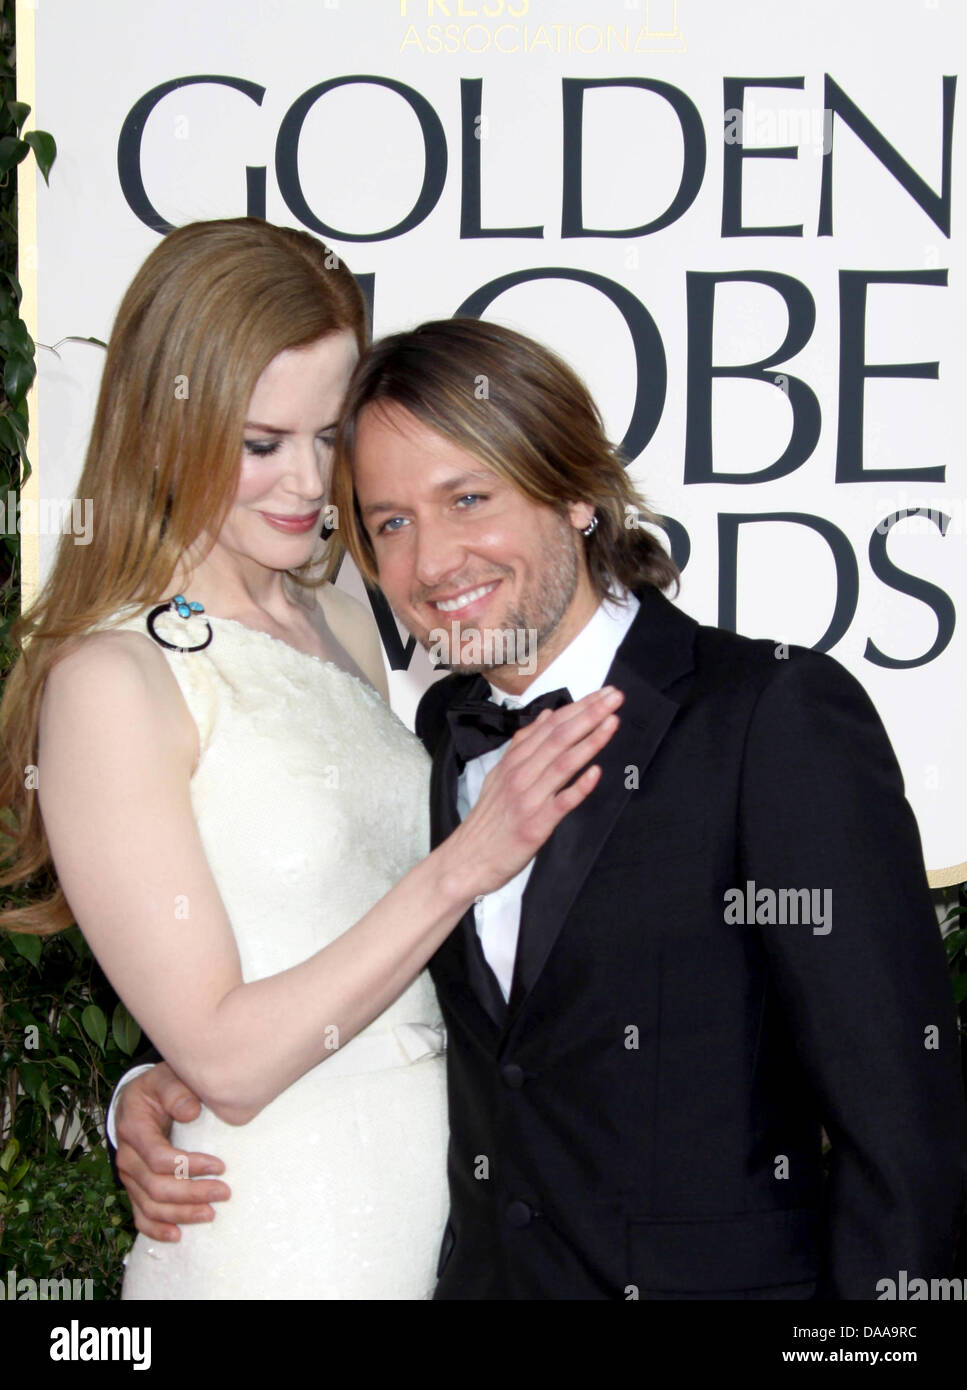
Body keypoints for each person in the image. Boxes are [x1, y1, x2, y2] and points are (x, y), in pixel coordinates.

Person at [112, 317, 967, 1301]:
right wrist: (158, 1081)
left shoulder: (767, 717)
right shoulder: (432, 736)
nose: (432, 562)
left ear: (575, 496)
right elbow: (346, 948)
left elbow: (901, 1125)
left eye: (467, 498)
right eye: (390, 522)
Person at [0, 230, 623, 1301]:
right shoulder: (113, 675)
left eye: (329, 435)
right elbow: (232, 1062)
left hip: (442, 1212)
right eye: (258, 442)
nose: (304, 482)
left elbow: (364, 949)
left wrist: (147, 1083)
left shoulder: (342, 613)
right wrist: (467, 860)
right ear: (167, 424)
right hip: (278, 1230)